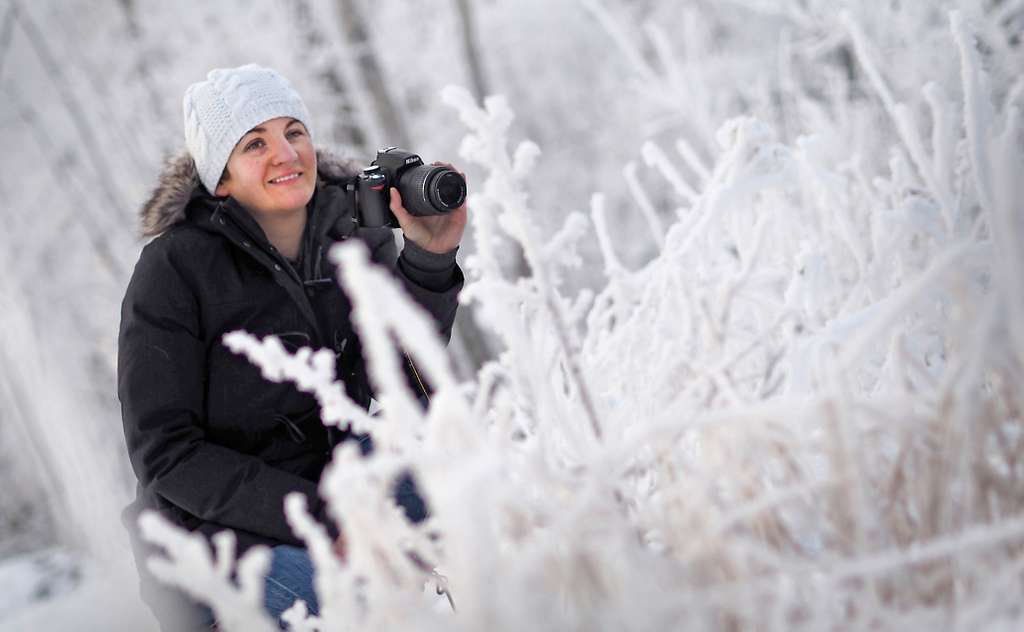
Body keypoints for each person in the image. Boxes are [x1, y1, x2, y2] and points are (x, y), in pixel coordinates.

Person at [118, 64, 466, 631]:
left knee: (488, 495)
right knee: (350, 604)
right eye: (255, 142)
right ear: (220, 179)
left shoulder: (350, 232)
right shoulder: (173, 270)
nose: (285, 153)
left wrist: (429, 260)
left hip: (343, 491)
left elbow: (403, 383)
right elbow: (167, 454)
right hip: (213, 541)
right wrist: (327, 521)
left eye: (293, 131)